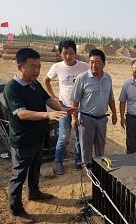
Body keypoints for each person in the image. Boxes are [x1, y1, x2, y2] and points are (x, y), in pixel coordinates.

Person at [4, 48, 77, 223]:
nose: (37, 71)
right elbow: (21, 114)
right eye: (32, 66)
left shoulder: (35, 84)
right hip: (23, 139)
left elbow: (49, 100)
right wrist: (48, 115)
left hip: (38, 136)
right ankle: (15, 208)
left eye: (39, 66)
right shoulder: (12, 88)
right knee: (19, 174)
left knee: (35, 167)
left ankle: (34, 192)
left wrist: (63, 109)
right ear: (20, 66)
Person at [43, 39, 89, 175]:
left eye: (71, 53)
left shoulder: (84, 67)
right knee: (63, 136)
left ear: (75, 53)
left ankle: (77, 161)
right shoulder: (57, 67)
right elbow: (46, 80)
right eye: (65, 53)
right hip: (63, 107)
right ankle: (58, 162)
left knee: (79, 135)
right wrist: (53, 98)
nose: (68, 56)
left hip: (80, 108)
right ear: (60, 53)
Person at [70, 49, 117, 163]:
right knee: (86, 147)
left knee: (100, 146)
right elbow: (75, 100)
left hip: (102, 120)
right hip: (87, 119)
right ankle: (88, 169)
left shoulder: (108, 78)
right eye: (91, 62)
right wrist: (74, 118)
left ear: (103, 64)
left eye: (97, 62)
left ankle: (99, 169)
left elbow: (110, 98)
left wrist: (115, 114)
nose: (93, 65)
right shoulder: (82, 78)